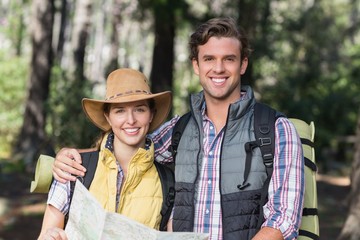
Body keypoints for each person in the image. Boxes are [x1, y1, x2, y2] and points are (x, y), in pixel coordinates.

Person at [52, 17, 304, 240]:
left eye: (229, 59)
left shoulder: (275, 130)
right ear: (196, 66)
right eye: (209, 59)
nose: (218, 68)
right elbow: (129, 145)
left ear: (243, 64)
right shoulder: (178, 131)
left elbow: (284, 220)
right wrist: (70, 157)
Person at [38, 68, 172, 239]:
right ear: (108, 117)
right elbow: (45, 234)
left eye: (139, 109)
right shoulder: (73, 168)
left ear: (151, 114)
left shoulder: (167, 182)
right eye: (119, 111)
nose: (130, 120)